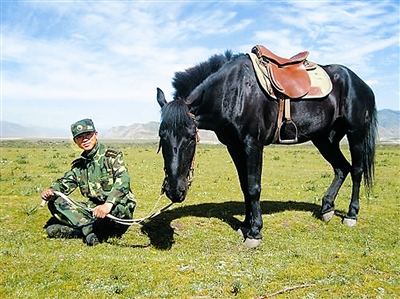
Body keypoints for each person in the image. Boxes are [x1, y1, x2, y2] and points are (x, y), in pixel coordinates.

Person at [41, 118, 136, 246]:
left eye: (88, 135)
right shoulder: (80, 165)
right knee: (55, 202)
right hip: (93, 209)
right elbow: (65, 183)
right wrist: (51, 191)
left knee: (112, 213)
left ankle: (82, 229)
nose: (85, 139)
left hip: (116, 209)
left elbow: (123, 181)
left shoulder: (111, 157)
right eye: (80, 137)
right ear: (75, 141)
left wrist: (108, 204)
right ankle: (88, 229)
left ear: (95, 134)